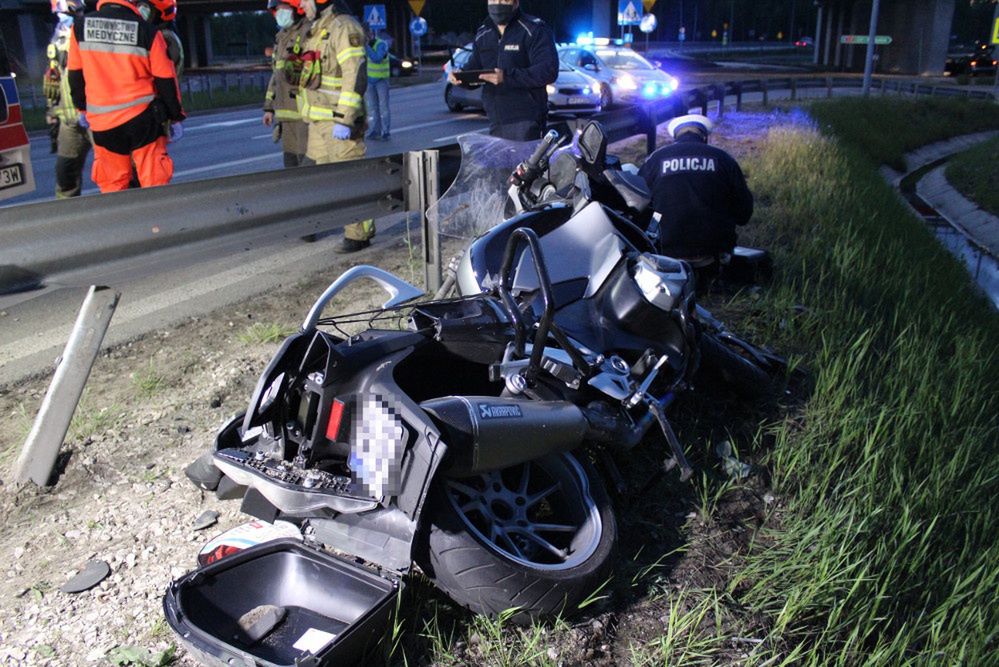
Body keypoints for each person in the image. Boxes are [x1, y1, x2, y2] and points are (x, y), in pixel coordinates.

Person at [67, 0, 185, 192]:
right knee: (154, 183)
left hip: (103, 122)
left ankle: (122, 220)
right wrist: (176, 116)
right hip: (143, 119)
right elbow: (165, 80)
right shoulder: (147, 31)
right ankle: (156, 222)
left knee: (113, 185)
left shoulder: (79, 28)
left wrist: (82, 108)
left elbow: (75, 75)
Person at [638, 114, 753, 288]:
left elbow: (638, 205)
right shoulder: (723, 159)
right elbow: (744, 214)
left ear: (675, 137)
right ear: (705, 137)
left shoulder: (654, 160)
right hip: (712, 254)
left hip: (665, 253)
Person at [298, 0, 374, 253]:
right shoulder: (317, 28)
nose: (300, 5)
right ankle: (321, 223)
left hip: (338, 121)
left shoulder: (344, 27)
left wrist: (345, 119)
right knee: (321, 180)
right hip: (318, 121)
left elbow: (355, 74)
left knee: (349, 179)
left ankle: (359, 234)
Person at [447, 0, 558, 141]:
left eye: (503, 0)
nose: (497, 4)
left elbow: (548, 71)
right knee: (502, 163)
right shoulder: (484, 33)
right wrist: (460, 77)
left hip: (526, 119)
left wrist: (506, 77)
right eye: (493, 0)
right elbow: (475, 68)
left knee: (522, 162)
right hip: (495, 120)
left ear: (516, 3)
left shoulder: (534, 29)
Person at [44, 0, 91, 199]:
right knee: (65, 177)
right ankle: (68, 222)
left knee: (117, 173)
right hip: (68, 119)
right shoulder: (57, 40)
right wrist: (51, 111)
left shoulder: (90, 34)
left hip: (95, 114)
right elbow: (53, 78)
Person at [263, 0, 311, 167]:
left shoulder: (308, 31)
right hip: (285, 114)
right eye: (278, 9)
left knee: (306, 161)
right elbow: (276, 74)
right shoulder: (281, 36)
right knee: (290, 163)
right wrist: (269, 107)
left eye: (284, 8)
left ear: (295, 9)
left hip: (303, 112)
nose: (280, 12)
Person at [364, 25, 390, 141]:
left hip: (381, 80)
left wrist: (366, 47)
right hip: (370, 80)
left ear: (371, 34)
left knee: (383, 107)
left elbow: (377, 58)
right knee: (373, 108)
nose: (366, 37)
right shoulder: (365, 47)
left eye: (367, 34)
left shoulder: (381, 44)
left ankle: (386, 132)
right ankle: (375, 131)